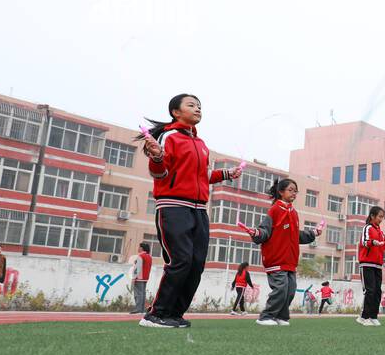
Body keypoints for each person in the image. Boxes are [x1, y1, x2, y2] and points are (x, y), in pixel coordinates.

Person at [138, 93, 242, 328]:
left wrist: (227, 174)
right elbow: (159, 173)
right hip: (173, 206)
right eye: (191, 105)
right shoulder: (169, 137)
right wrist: (155, 157)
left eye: (200, 106)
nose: (197, 109)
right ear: (176, 112)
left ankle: (174, 313)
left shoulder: (201, 144)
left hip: (199, 210)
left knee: (196, 264)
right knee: (181, 260)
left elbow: (203, 176)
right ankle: (155, 314)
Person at [244, 177, 321, 327]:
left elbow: (296, 235)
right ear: (281, 192)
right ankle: (265, 316)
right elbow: (264, 232)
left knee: (290, 290)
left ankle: (281, 316)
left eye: (295, 191)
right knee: (280, 289)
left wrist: (313, 233)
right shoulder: (274, 210)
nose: (294, 193)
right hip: (276, 259)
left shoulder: (294, 213)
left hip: (290, 260)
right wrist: (256, 233)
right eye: (291, 190)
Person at [357, 205, 385, 327]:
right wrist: (372, 242)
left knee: (377, 291)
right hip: (367, 264)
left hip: (377, 265)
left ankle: (373, 316)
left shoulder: (381, 233)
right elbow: (365, 242)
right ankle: (363, 317)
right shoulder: (367, 228)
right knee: (370, 291)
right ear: (372, 216)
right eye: (380, 216)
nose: (381, 219)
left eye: (382, 217)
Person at [128, 242, 153, 315]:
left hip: (139, 277)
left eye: (139, 247)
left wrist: (133, 277)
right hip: (145, 277)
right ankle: (142, 309)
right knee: (142, 293)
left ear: (141, 248)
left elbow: (137, 268)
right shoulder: (149, 256)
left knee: (138, 293)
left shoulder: (140, 256)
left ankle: (138, 309)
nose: (138, 248)